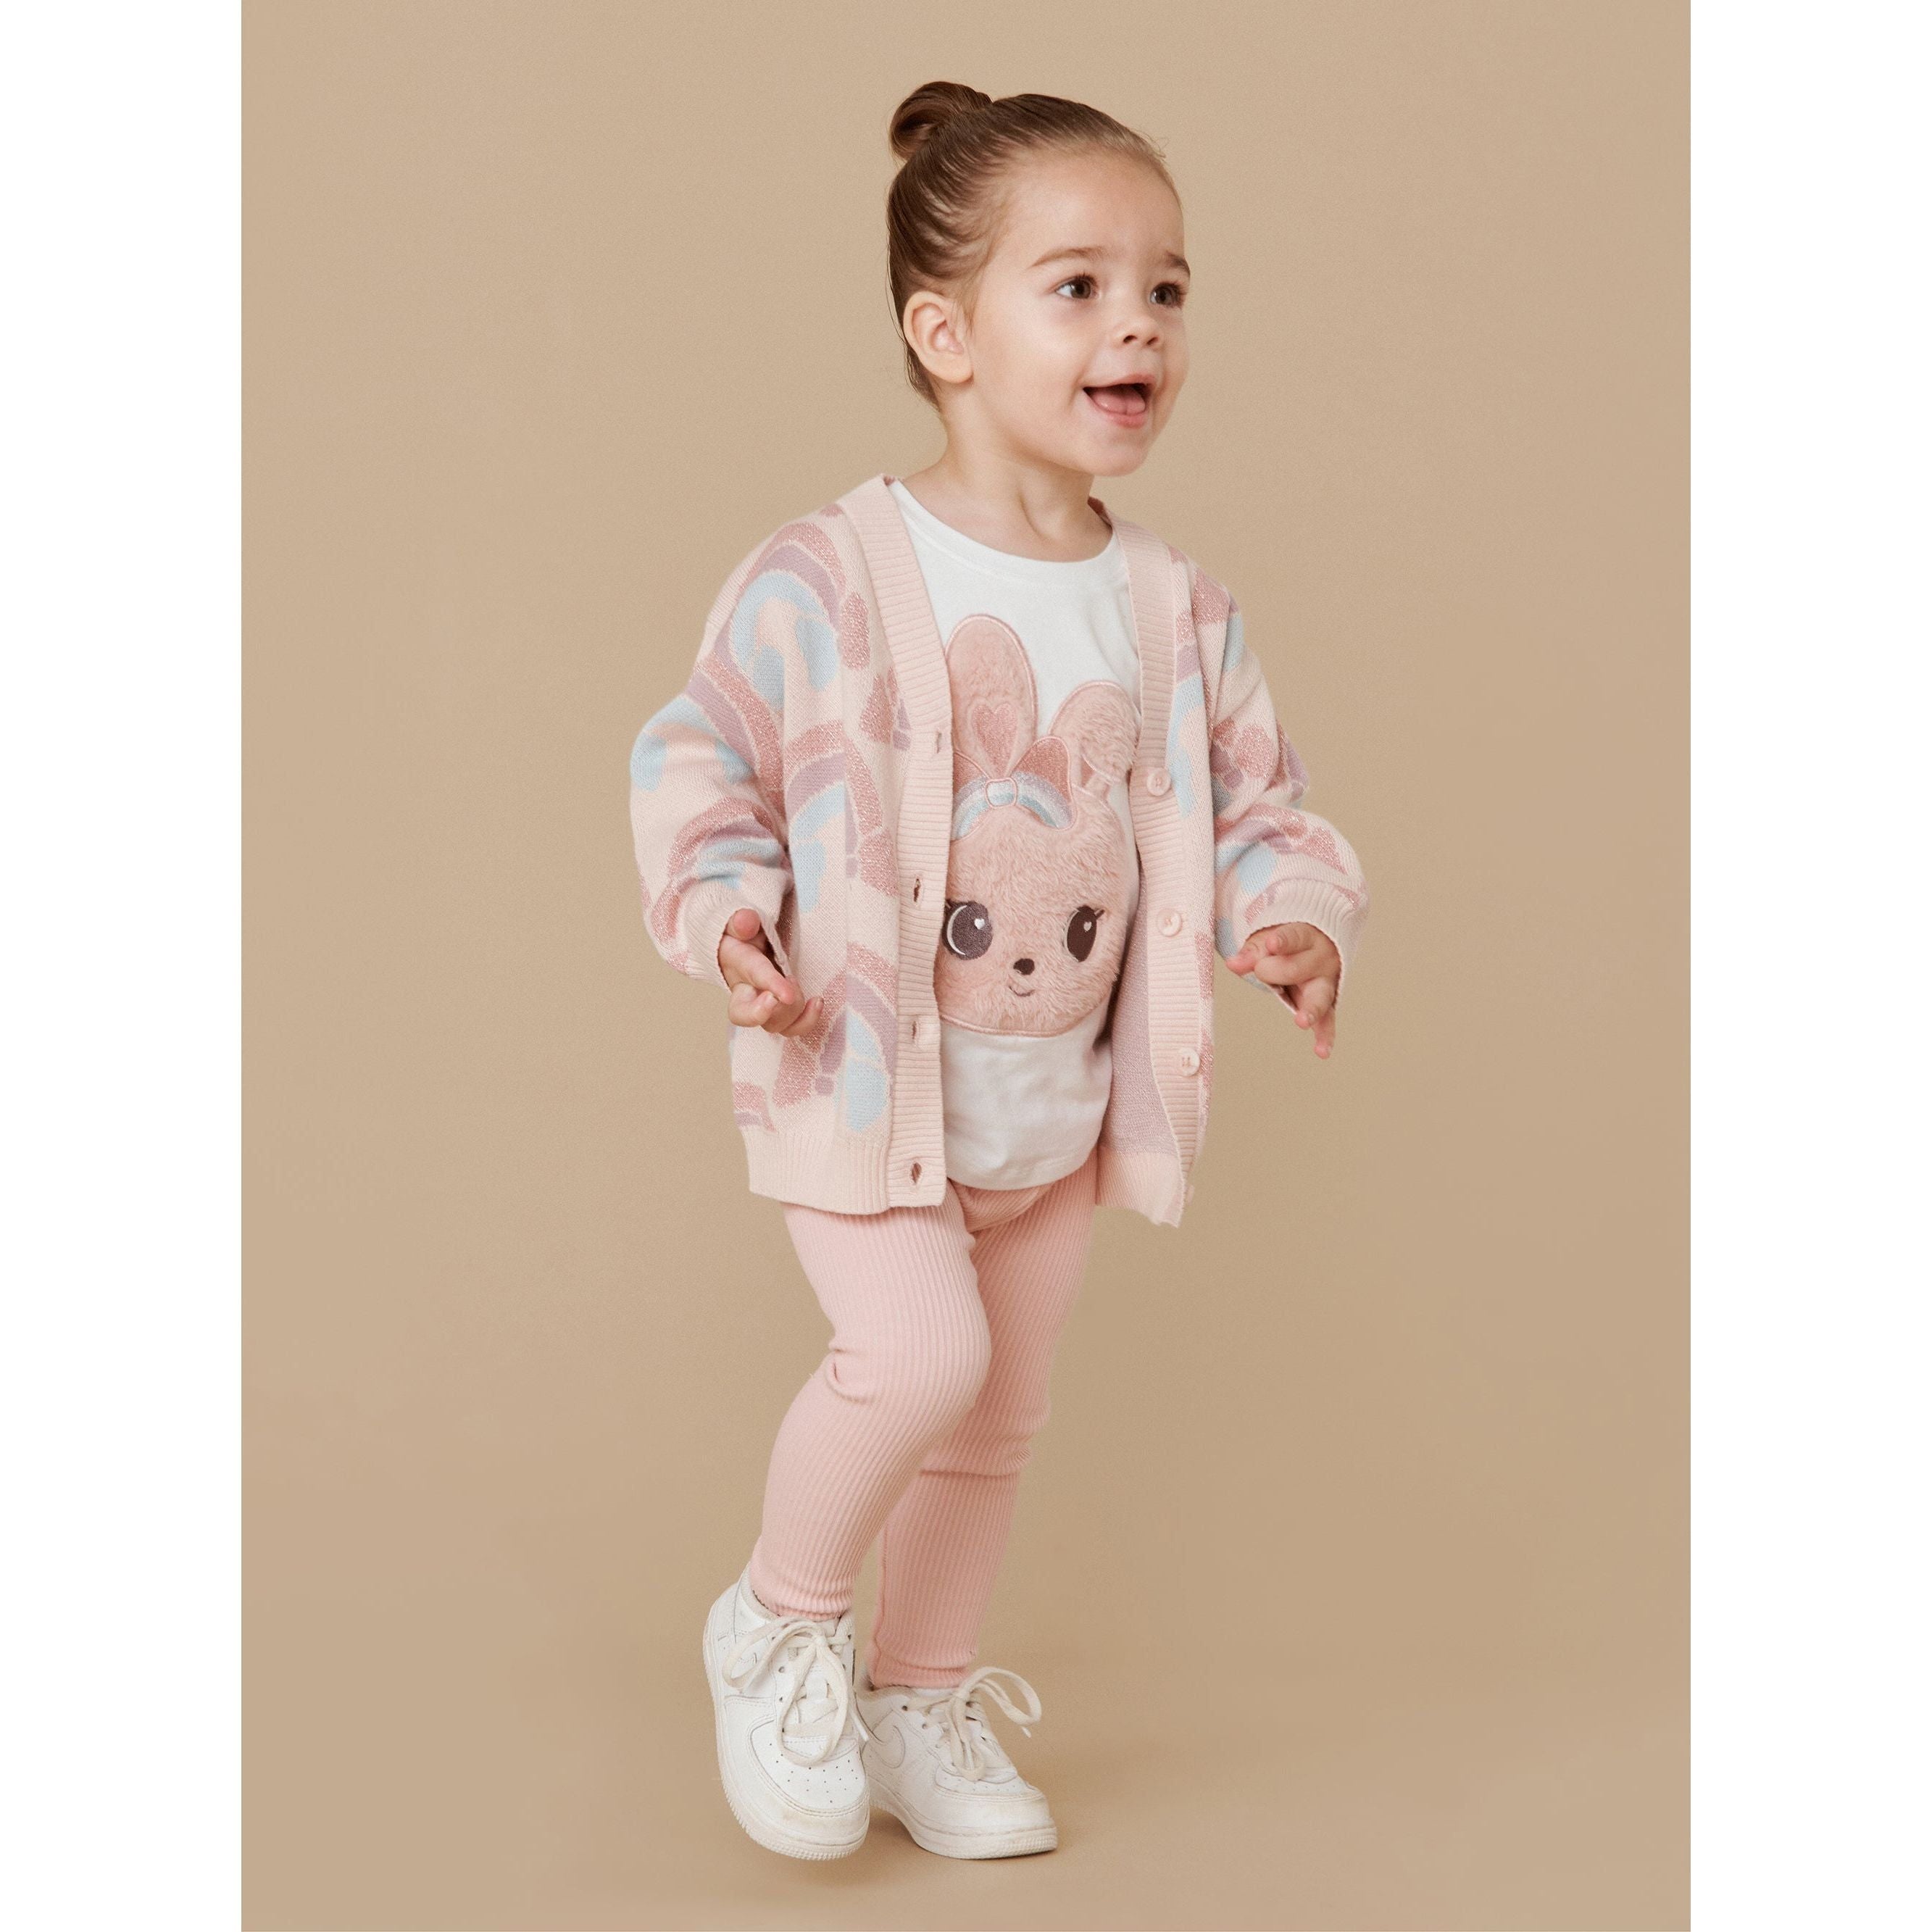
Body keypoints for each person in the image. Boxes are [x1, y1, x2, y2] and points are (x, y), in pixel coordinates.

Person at [627, 80, 1370, 1864]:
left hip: (1058, 1109)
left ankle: (918, 1693)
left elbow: (1258, 799)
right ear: (943, 335)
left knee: (995, 1418)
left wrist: (1290, 913)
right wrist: (725, 908)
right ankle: (779, 1621)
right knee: (917, 1354)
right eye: (1081, 287)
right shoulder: (830, 572)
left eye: (1167, 288)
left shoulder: (1173, 609)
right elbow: (698, 752)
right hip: (863, 1083)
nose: (1140, 324)